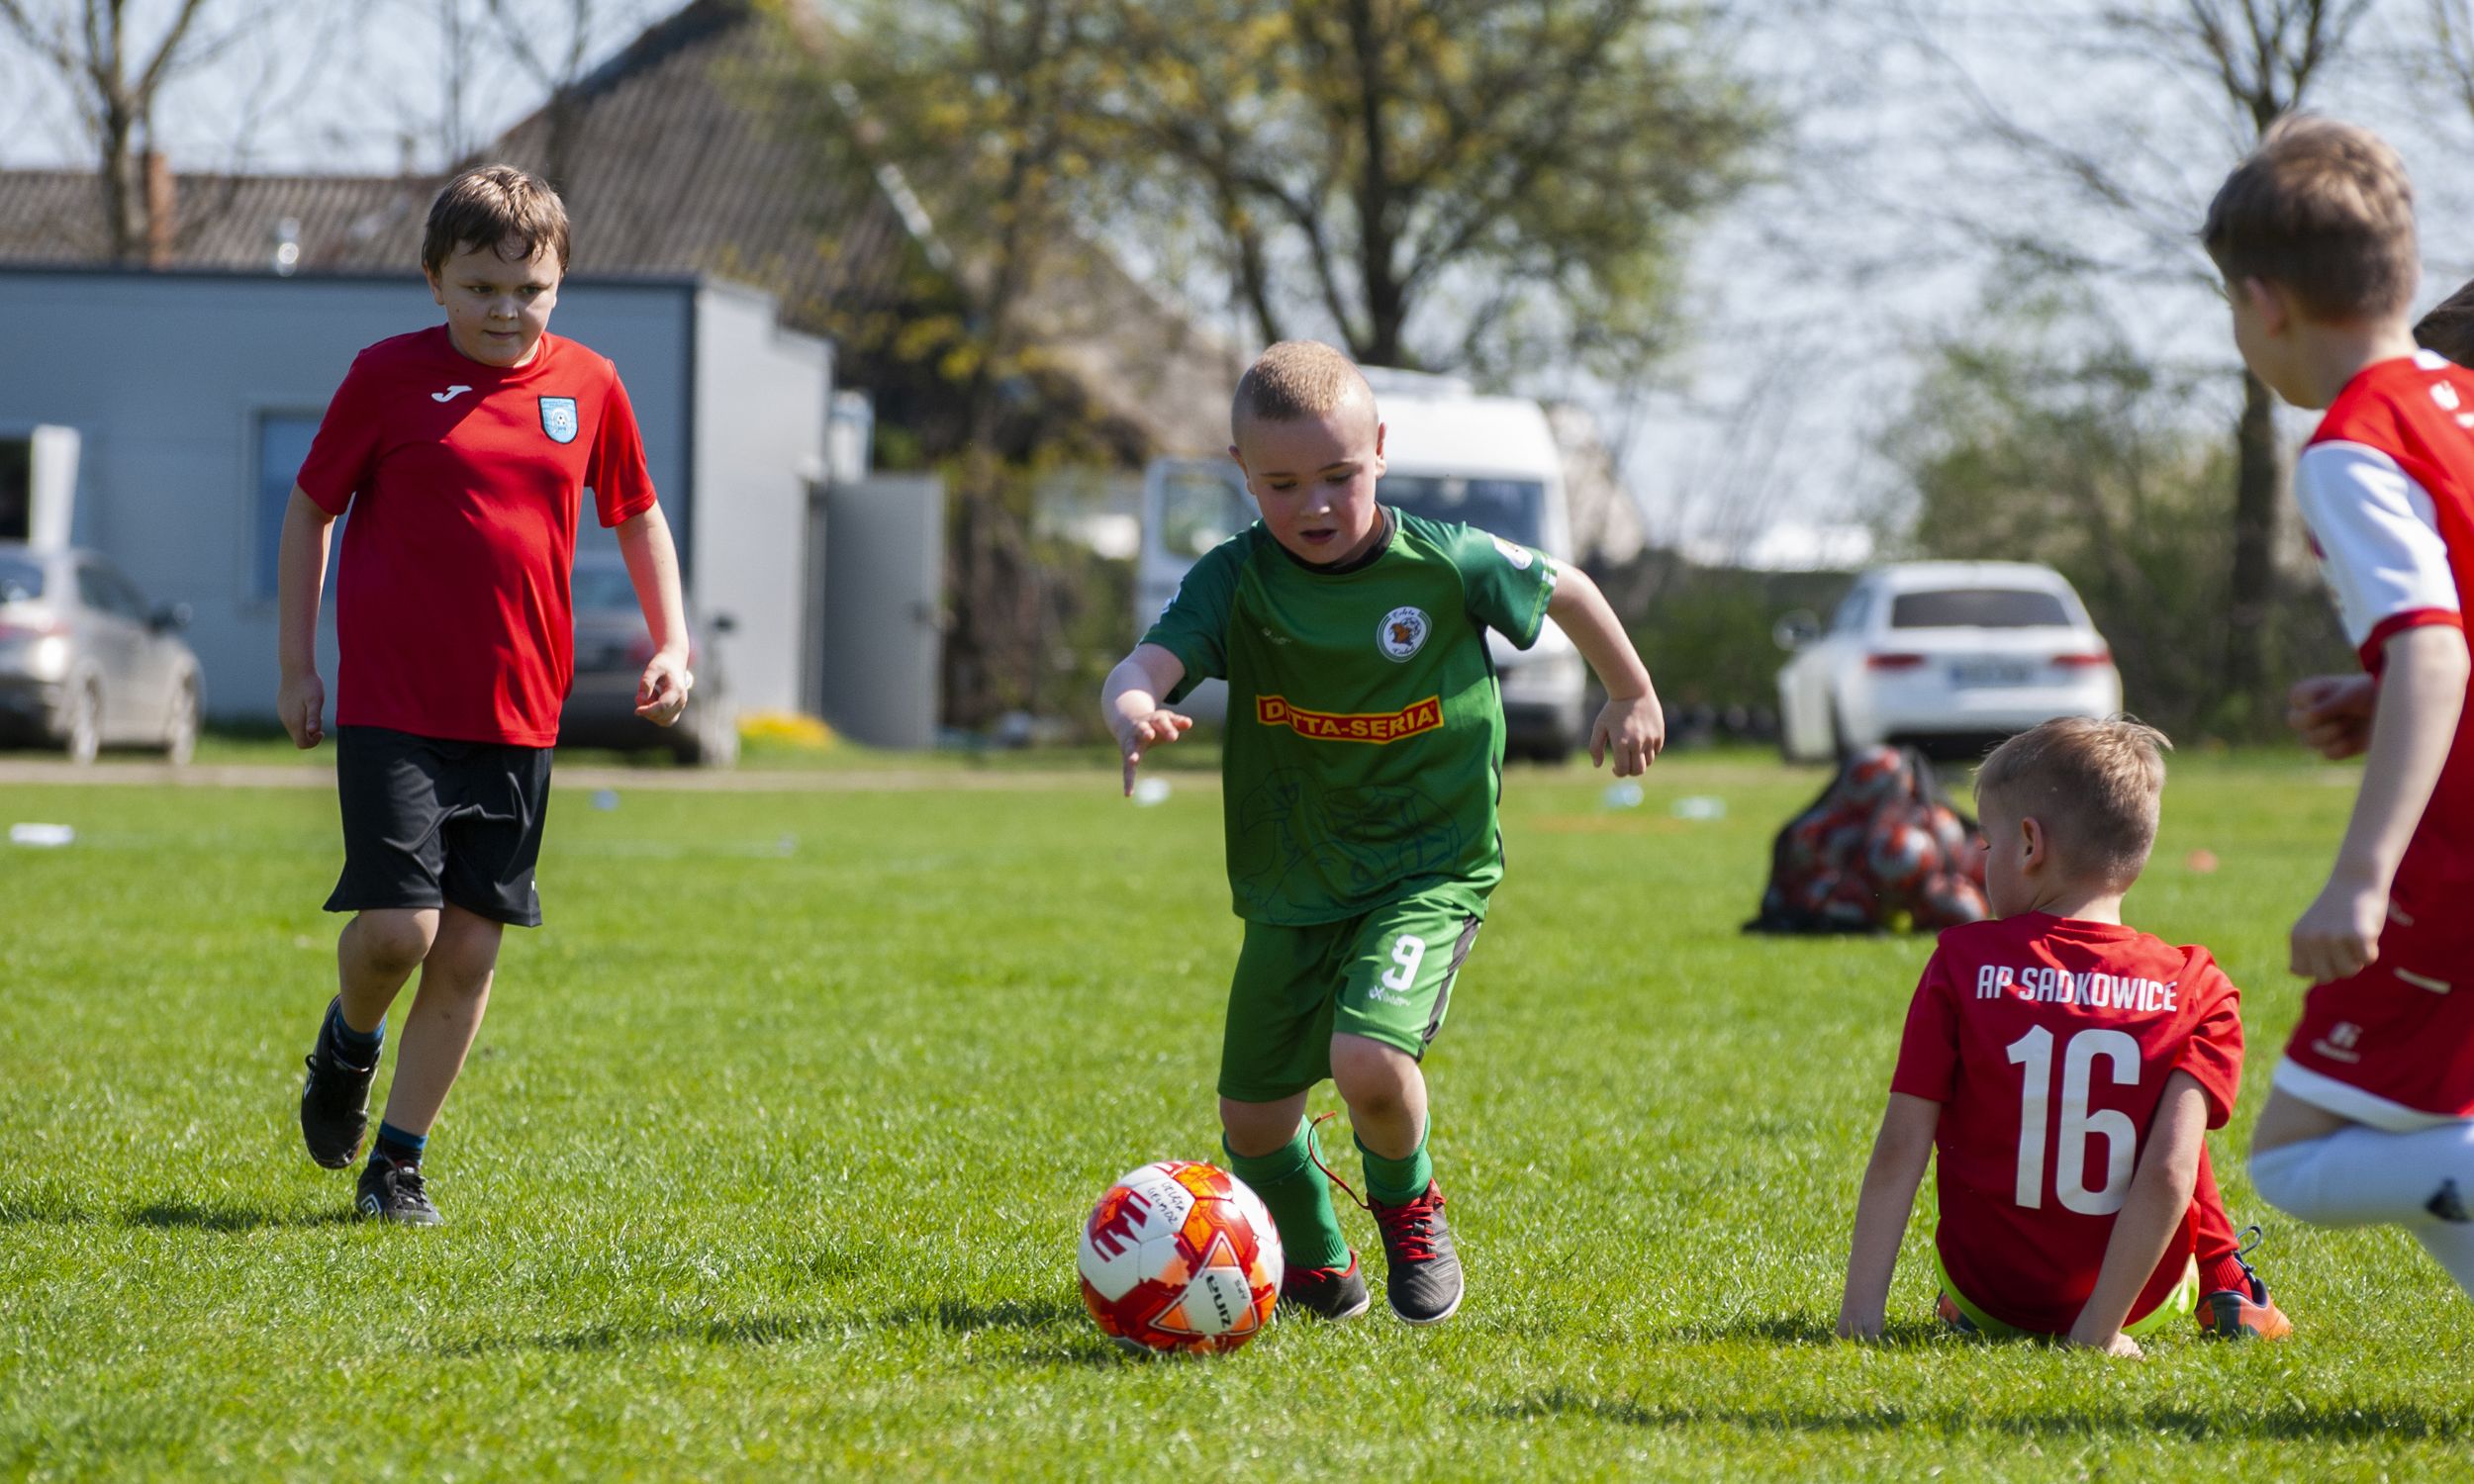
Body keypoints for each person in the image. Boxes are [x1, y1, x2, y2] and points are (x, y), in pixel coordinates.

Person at [1100, 340, 1665, 1324]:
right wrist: (1132, 705)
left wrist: (1630, 691)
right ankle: (1319, 1264)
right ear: (1241, 470)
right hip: (1291, 882)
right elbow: (1146, 659)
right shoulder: (1236, 582)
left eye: (1338, 477)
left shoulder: (1446, 563)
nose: (1313, 505)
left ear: (1380, 454)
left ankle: (1411, 1212)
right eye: (1281, 484)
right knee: (1253, 1122)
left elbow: (1566, 586)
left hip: (1426, 869)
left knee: (1366, 1060)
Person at [278, 164, 692, 1225]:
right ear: (435, 281)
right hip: (392, 705)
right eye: (479, 289)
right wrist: (296, 664)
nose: (506, 312)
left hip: (517, 711)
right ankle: (347, 1044)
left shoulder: (590, 385)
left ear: (558, 282)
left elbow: (637, 515)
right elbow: (310, 511)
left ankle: (397, 1167)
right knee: (399, 935)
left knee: (467, 947)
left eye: (529, 290)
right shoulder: (384, 378)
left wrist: (673, 643)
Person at [2205, 118, 2474, 1295]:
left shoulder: (2352, 448)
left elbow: (2434, 649)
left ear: (2262, 303)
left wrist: (2360, 876)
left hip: (2452, 865)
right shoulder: (2463, 397)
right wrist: (2379, 694)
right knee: (2426, 1136)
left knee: (2296, 1159)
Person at [1839, 718, 2291, 1355]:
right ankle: (2229, 1285)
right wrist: (2098, 1334)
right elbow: (2167, 1175)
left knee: (2133, 1087)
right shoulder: (2198, 982)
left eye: (1987, 844)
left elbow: (1900, 1144)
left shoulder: (1962, 962)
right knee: (2168, 1098)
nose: (1980, 861)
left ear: (2029, 845)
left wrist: (1860, 1318)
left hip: (1985, 1298)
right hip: (2135, 1306)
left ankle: (1959, 1303)